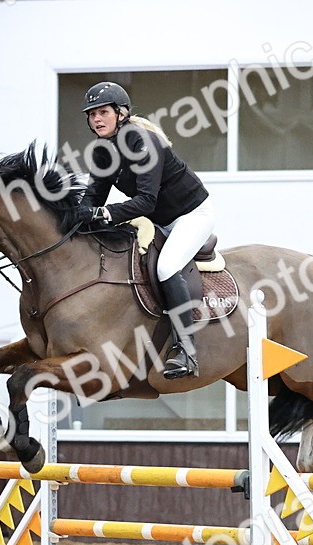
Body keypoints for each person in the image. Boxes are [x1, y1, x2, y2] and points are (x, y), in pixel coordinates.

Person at [74, 81, 215, 379]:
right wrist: (74, 218)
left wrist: (103, 213)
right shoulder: (102, 152)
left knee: (166, 267)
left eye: (103, 112)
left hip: (191, 215)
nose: (96, 119)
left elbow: (146, 201)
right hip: (160, 221)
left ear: (121, 113)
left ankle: (186, 350)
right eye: (92, 114)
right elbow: (93, 197)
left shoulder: (143, 142)